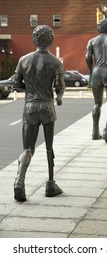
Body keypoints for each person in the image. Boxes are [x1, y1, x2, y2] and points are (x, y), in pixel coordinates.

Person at [13, 25, 65, 201]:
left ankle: (20, 180)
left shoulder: (23, 60)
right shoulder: (56, 62)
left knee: (28, 149)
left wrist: (28, 88)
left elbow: (16, 84)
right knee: (49, 148)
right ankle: (50, 183)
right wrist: (59, 97)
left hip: (30, 107)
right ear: (51, 40)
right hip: (47, 107)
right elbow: (59, 86)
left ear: (34, 39)